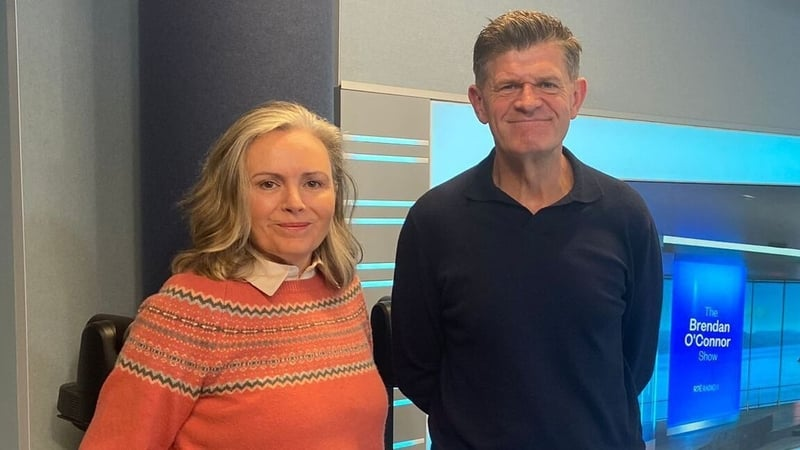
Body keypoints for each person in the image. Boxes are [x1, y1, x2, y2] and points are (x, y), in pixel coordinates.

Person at [391, 10, 663, 450]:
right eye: (508, 86)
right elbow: (416, 366)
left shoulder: (625, 215)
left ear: (576, 97)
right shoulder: (434, 221)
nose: (528, 101)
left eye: (547, 84)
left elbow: (636, 360)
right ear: (479, 102)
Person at [81, 101, 388, 449]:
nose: (295, 202)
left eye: (313, 183)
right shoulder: (185, 313)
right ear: (233, 196)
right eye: (268, 184)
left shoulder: (342, 289)